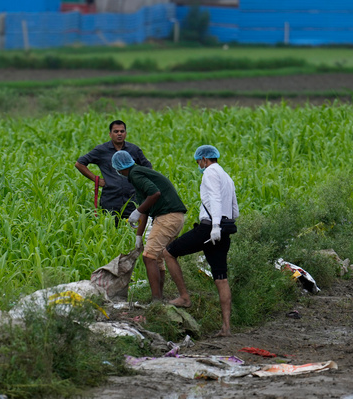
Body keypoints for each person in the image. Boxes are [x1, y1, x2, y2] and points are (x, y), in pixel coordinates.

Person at [163, 145, 239, 337]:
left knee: (169, 252)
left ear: (205, 159)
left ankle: (184, 297)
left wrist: (214, 227)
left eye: (199, 162)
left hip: (209, 229)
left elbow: (214, 198)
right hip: (225, 228)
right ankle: (226, 327)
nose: (199, 165)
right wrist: (223, 225)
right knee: (221, 278)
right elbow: (235, 209)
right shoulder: (226, 176)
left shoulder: (210, 173)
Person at [111, 150, 187, 301]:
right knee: (157, 258)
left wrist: (136, 211)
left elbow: (154, 193)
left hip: (168, 217)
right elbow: (145, 209)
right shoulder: (139, 173)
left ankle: (156, 301)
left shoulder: (135, 174)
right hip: (174, 217)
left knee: (149, 257)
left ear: (119, 168)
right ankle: (160, 296)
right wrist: (139, 235)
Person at [75, 120, 153, 220]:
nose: (119, 134)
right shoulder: (101, 150)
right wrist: (96, 180)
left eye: (122, 131)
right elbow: (79, 163)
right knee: (110, 228)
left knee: (132, 228)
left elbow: (148, 167)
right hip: (110, 198)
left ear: (126, 133)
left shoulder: (133, 149)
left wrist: (139, 181)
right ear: (110, 134)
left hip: (131, 199)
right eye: (116, 132)